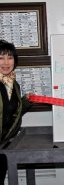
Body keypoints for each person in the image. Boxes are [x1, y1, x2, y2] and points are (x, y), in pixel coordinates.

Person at [0, 40, 32, 185]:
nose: (6, 62)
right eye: (1, 58)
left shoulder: (13, 84)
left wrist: (26, 101)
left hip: (4, 145)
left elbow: (11, 112)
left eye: (10, 57)